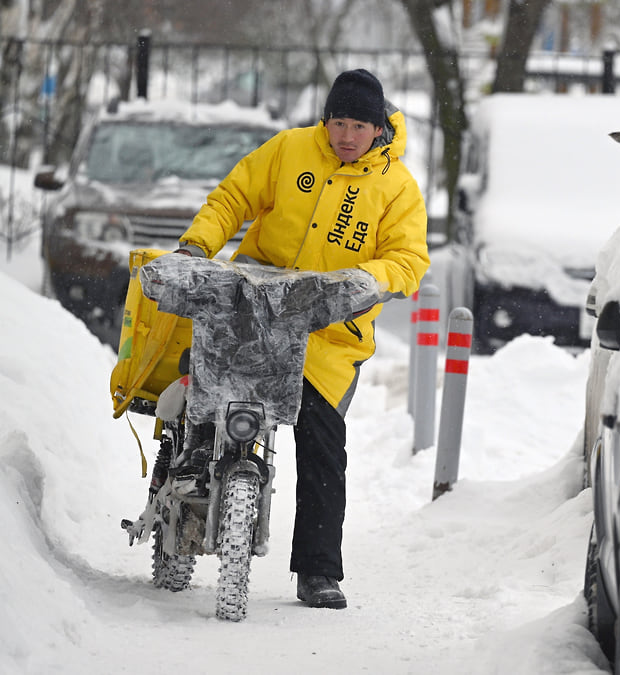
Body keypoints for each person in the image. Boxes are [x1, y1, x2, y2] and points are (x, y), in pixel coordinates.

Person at [173, 68, 430, 610]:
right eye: (338, 121)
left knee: (321, 444)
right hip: (252, 313)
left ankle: (318, 571)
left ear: (378, 128)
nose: (346, 135)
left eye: (359, 125)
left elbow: (408, 258)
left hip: (329, 338)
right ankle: (185, 485)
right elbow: (232, 198)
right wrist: (198, 246)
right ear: (326, 119)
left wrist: (370, 279)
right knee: (198, 391)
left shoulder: (396, 188)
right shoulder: (289, 150)